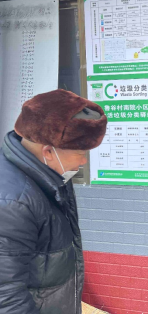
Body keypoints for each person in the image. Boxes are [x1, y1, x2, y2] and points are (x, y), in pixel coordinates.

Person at [0, 90, 107, 314]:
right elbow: (7, 296)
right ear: (48, 151)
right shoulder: (13, 202)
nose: (83, 161)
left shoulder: (50, 175)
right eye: (80, 152)